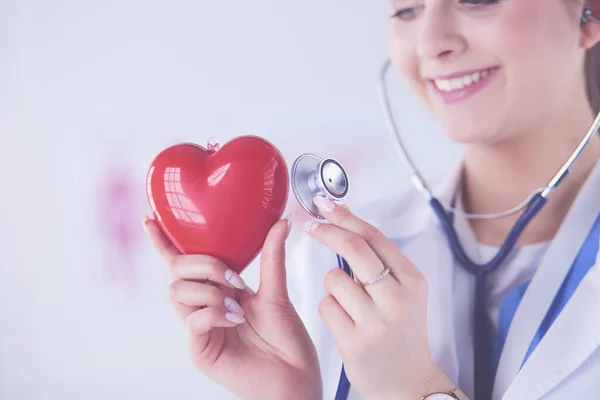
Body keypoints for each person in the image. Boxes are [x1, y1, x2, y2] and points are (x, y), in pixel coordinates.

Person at [142, 0, 600, 399]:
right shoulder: (321, 265)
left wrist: (412, 389)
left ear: (589, 14)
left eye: (477, 0)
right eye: (406, 10)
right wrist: (289, 396)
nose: (429, 42)